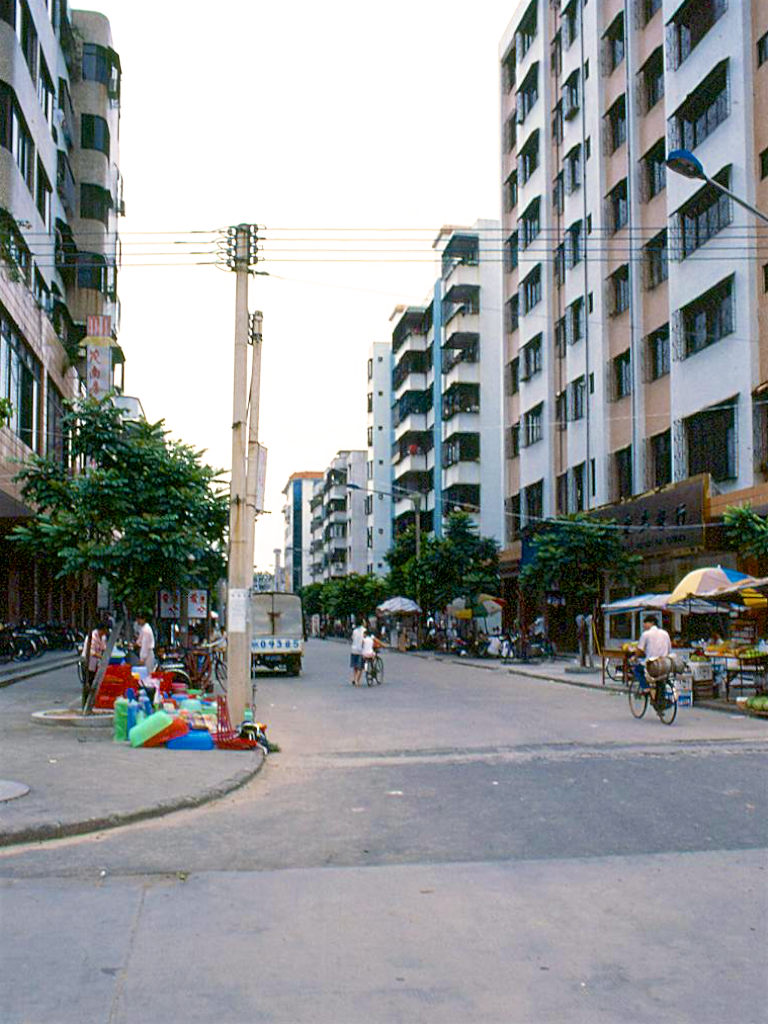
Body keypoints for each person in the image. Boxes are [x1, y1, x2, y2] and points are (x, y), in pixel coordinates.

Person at [634, 615, 672, 697]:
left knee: (637, 670)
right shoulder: (665, 633)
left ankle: (645, 687)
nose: (644, 625)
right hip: (665, 664)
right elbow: (669, 650)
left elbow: (639, 649)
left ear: (652, 623)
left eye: (645, 623)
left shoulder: (646, 634)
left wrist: (635, 658)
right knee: (661, 679)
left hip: (652, 665)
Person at [82, 622, 109, 704]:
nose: (104, 633)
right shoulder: (92, 637)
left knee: (94, 680)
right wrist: (100, 656)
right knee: (88, 681)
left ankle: (92, 700)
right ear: (100, 630)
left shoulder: (103, 637)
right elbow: (91, 651)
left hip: (96, 663)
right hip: (88, 661)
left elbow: (104, 647)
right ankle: (86, 700)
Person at [349, 619, 365, 686]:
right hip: (361, 650)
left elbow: (352, 638)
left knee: (355, 666)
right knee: (360, 667)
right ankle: (356, 680)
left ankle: (354, 678)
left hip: (353, 650)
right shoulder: (364, 630)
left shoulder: (354, 631)